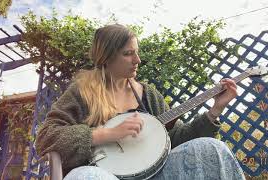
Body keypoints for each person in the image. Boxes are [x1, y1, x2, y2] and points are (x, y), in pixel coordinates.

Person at [36, 24, 246, 180]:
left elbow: (175, 138)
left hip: (155, 175)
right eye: (128, 54)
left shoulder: (148, 94)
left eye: (136, 52)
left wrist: (215, 111)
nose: (137, 60)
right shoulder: (82, 93)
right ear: (106, 58)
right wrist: (105, 134)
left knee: (211, 148)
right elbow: (46, 137)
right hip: (102, 174)